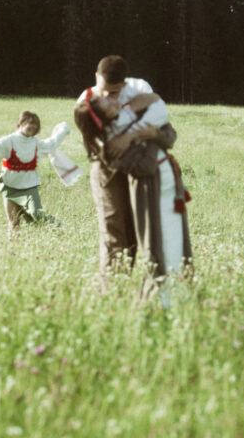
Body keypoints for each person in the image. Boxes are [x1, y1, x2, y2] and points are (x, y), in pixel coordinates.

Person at [75, 91, 191, 296]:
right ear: (105, 121)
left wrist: (150, 135)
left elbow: (170, 136)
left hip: (169, 183)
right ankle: (142, 294)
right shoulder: (110, 142)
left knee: (175, 235)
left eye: (109, 100)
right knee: (144, 239)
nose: (113, 102)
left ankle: (180, 289)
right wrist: (144, 138)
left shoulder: (133, 109)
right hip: (148, 187)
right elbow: (144, 166)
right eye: (108, 107)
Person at [75, 55, 176, 282]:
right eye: (103, 90)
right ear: (96, 77)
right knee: (113, 227)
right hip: (106, 171)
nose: (107, 97)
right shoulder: (85, 100)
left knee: (137, 229)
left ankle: (139, 284)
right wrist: (133, 116)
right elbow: (101, 148)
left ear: (124, 84)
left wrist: (133, 134)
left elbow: (167, 132)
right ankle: (110, 287)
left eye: (114, 93)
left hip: (141, 170)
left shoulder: (139, 88)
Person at [0, 110, 77, 234]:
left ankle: (60, 229)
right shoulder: (8, 141)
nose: (33, 127)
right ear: (20, 123)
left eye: (36, 124)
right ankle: (12, 250)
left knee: (37, 214)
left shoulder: (37, 143)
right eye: (30, 123)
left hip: (29, 188)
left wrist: (64, 129)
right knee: (13, 223)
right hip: (9, 188)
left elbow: (52, 143)